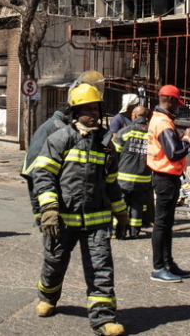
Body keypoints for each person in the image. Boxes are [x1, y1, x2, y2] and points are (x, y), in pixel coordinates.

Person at [32, 83, 128, 336]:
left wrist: (121, 213)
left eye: (96, 108)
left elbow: (111, 182)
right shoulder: (60, 139)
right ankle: (48, 297)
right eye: (87, 110)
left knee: (100, 268)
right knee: (54, 263)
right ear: (75, 112)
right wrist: (50, 209)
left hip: (96, 222)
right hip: (62, 221)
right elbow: (42, 174)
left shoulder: (105, 144)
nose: (94, 114)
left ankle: (103, 319)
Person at [146, 84, 190, 283]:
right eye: (177, 102)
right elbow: (174, 153)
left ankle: (168, 263)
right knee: (162, 224)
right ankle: (159, 267)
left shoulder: (158, 119)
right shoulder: (164, 123)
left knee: (166, 224)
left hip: (165, 177)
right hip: (165, 178)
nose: (178, 107)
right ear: (170, 100)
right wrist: (188, 139)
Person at [21, 106, 69, 225]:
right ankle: (43, 219)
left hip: (29, 162)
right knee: (44, 189)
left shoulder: (49, 122)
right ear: (67, 115)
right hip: (40, 162)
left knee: (34, 191)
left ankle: (38, 218)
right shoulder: (60, 126)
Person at [112, 105, 152, 239]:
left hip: (124, 176)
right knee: (138, 204)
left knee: (120, 203)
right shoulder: (152, 134)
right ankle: (135, 232)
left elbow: (114, 152)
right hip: (143, 177)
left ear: (134, 116)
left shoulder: (126, 131)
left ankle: (119, 232)